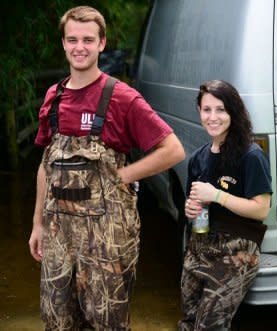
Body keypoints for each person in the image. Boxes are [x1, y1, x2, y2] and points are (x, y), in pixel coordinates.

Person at [28, 6, 185, 330]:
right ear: (64, 44)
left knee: (107, 322)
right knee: (57, 319)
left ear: (101, 43)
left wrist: (124, 176)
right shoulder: (53, 97)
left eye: (88, 39)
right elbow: (46, 164)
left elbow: (173, 150)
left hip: (107, 239)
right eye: (72, 39)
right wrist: (37, 224)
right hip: (59, 236)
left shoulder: (122, 97)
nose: (79, 47)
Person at [178, 80, 272, 330]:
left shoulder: (251, 155)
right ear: (199, 112)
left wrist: (218, 195)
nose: (213, 117)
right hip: (200, 244)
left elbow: (261, 209)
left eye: (221, 109)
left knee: (210, 325)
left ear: (233, 112)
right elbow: (195, 203)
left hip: (237, 249)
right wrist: (191, 210)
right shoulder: (198, 157)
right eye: (206, 110)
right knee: (189, 320)